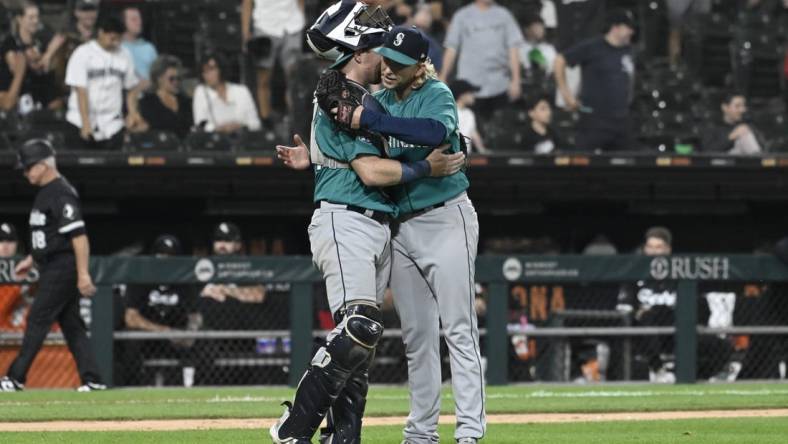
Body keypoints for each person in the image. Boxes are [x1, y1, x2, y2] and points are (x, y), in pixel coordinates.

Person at [271, 4, 465, 443]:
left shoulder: (366, 97)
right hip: (346, 219)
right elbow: (372, 173)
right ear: (360, 52)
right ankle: (295, 426)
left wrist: (315, 157)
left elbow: (373, 146)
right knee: (359, 327)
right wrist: (426, 171)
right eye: (380, 48)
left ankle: (344, 437)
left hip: (375, 224)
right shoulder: (340, 91)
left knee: (360, 347)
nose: (389, 59)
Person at [310, 24, 484, 443]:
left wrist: (373, 119)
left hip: (445, 217)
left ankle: (469, 433)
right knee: (417, 338)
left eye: (401, 64)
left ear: (419, 65)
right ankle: (421, 434)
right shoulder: (380, 97)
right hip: (401, 227)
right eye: (387, 58)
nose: (389, 68)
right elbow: (353, 138)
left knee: (459, 330)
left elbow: (436, 133)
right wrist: (310, 155)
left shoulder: (434, 93)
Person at [0, 139, 105, 392]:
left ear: (43, 166)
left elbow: (78, 237)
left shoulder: (60, 192)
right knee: (72, 325)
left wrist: (82, 274)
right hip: (51, 264)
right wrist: (31, 259)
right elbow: (50, 235)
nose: (25, 173)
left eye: (28, 167)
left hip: (63, 266)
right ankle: (93, 379)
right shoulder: (47, 192)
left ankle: (15, 378)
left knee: (37, 318)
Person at [554, 9, 637, 152]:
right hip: (594, 119)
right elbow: (559, 61)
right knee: (583, 163)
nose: (631, 32)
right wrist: (567, 96)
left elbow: (630, 77)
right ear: (616, 28)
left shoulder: (628, 51)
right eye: (628, 28)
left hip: (621, 120)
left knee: (626, 165)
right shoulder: (593, 46)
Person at [123, 234, 201, 387]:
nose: (165, 259)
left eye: (171, 256)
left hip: (176, 336)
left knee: (201, 343)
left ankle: (196, 387)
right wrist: (165, 331)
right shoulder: (140, 277)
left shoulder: (185, 281)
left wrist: (190, 333)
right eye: (161, 254)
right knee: (131, 341)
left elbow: (195, 315)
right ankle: (132, 387)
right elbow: (130, 318)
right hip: (148, 334)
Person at [64, 15, 145, 150]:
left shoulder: (125, 54)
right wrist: (85, 124)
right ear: (101, 32)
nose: (115, 43)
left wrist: (132, 112)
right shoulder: (83, 53)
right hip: (79, 120)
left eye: (119, 39)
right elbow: (81, 91)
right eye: (112, 38)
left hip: (111, 123)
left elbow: (131, 88)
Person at [440, 0, 523, 119]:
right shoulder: (462, 15)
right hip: (469, 88)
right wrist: (443, 76)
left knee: (500, 129)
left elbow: (513, 48)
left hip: (499, 85)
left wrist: (516, 80)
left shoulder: (504, 15)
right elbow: (451, 48)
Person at [241, 0, 305, 124]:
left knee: (294, 79)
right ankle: (266, 122)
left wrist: (301, 14)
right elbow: (247, 3)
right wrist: (245, 33)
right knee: (263, 79)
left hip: (293, 26)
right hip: (264, 25)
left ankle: (295, 121)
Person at [0, 1, 64, 114]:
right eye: (31, 17)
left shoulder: (40, 41)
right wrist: (46, 55)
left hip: (39, 97)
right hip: (17, 95)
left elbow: (60, 40)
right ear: (20, 19)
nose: (35, 21)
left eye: (37, 17)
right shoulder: (10, 43)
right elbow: (17, 68)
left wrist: (48, 55)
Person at [192, 52, 261, 133]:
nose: (207, 75)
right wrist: (219, 129)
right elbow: (200, 123)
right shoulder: (201, 91)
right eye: (204, 71)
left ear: (221, 69)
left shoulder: (242, 91)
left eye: (211, 69)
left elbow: (255, 123)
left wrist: (240, 126)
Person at [139, 55, 192, 138]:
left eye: (178, 78)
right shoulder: (147, 103)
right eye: (171, 79)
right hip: (159, 148)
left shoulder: (186, 102)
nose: (176, 82)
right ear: (159, 78)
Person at [121, 6, 158, 87]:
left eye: (139, 19)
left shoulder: (149, 48)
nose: (139, 22)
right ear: (123, 23)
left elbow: (158, 77)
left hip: (147, 94)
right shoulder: (116, 47)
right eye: (134, 19)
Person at [450, 79, 487, 154]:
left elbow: (474, 135)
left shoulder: (469, 114)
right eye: (471, 93)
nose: (473, 96)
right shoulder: (449, 113)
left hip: (467, 159)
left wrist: (484, 153)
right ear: (462, 95)